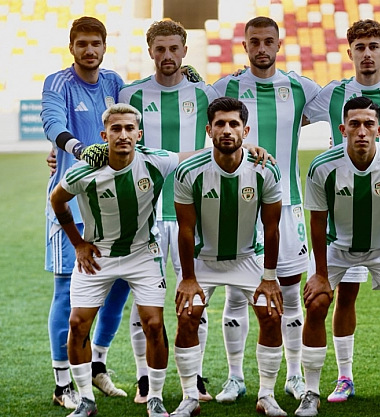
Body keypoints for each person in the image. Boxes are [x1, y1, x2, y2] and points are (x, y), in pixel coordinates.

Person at [303, 18, 380, 402]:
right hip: (341, 206)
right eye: (360, 47)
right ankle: (344, 376)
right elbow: (294, 114)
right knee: (344, 296)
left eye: (374, 46)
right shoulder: (333, 93)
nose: (367, 54)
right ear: (350, 53)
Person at [48, 103, 197, 417]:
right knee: (77, 323)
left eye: (130, 129)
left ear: (139, 134)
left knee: (153, 324)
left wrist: (247, 148)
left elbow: (195, 156)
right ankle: (86, 400)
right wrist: (78, 244)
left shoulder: (154, 161)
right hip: (98, 255)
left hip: (143, 253)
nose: (123, 135)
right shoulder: (84, 171)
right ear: (104, 135)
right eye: (116, 129)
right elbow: (57, 200)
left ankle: (155, 398)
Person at [212, 16, 322, 402]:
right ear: (244, 46)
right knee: (236, 294)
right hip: (237, 206)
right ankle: (235, 378)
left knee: (290, 295)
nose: (262, 48)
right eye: (254, 42)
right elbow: (192, 112)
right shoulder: (225, 87)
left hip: (287, 205)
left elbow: (343, 105)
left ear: (278, 44)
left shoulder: (301, 87)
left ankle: (293, 375)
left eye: (268, 41)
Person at [296, 97, 380, 417]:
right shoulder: (323, 166)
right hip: (337, 246)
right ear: (343, 129)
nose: (361, 131)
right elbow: (317, 221)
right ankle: (312, 391)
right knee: (317, 302)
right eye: (354, 124)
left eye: (368, 124)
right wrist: (320, 275)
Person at [118, 19, 220, 403]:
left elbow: (227, 135)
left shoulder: (204, 93)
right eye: (160, 49)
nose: (167, 55)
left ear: (185, 52)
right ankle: (144, 378)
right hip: (145, 214)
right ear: (150, 52)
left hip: (192, 213)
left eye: (174, 48)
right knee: (144, 301)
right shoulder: (131, 95)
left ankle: (195, 378)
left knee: (196, 297)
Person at [170, 97, 287, 417]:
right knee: (187, 315)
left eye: (234, 124)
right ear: (209, 130)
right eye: (219, 124)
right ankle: (189, 397)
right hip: (203, 260)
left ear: (245, 131)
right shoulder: (189, 171)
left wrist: (270, 278)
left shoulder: (265, 169)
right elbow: (185, 229)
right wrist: (188, 278)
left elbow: (272, 227)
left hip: (248, 257)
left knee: (271, 314)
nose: (226, 130)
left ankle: (266, 395)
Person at [41, 16, 129, 408]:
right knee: (67, 290)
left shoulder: (113, 82)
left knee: (121, 285)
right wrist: (78, 149)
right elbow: (53, 124)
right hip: (72, 204)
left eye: (96, 43)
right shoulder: (58, 83)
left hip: (113, 204)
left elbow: (136, 117)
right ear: (71, 47)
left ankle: (97, 365)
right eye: (82, 44)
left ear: (105, 46)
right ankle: (63, 384)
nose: (89, 50)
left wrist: (188, 80)